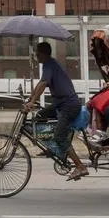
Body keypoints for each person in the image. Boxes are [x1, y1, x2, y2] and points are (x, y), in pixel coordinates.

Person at [24, 41, 89, 181]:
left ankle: (80, 166)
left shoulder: (49, 64)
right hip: (60, 104)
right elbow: (40, 84)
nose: (36, 56)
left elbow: (43, 84)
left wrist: (32, 101)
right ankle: (53, 148)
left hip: (69, 106)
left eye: (37, 53)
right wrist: (30, 97)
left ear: (43, 54)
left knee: (60, 135)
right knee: (40, 116)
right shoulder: (49, 64)